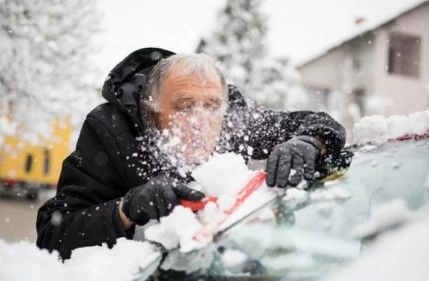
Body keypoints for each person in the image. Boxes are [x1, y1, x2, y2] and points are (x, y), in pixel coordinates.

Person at [36, 47, 346, 260]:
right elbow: (52, 234)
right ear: (152, 110)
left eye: (211, 106)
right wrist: (126, 208)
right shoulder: (111, 130)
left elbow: (317, 123)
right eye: (184, 107)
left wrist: (309, 142)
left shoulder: (232, 119)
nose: (201, 121)